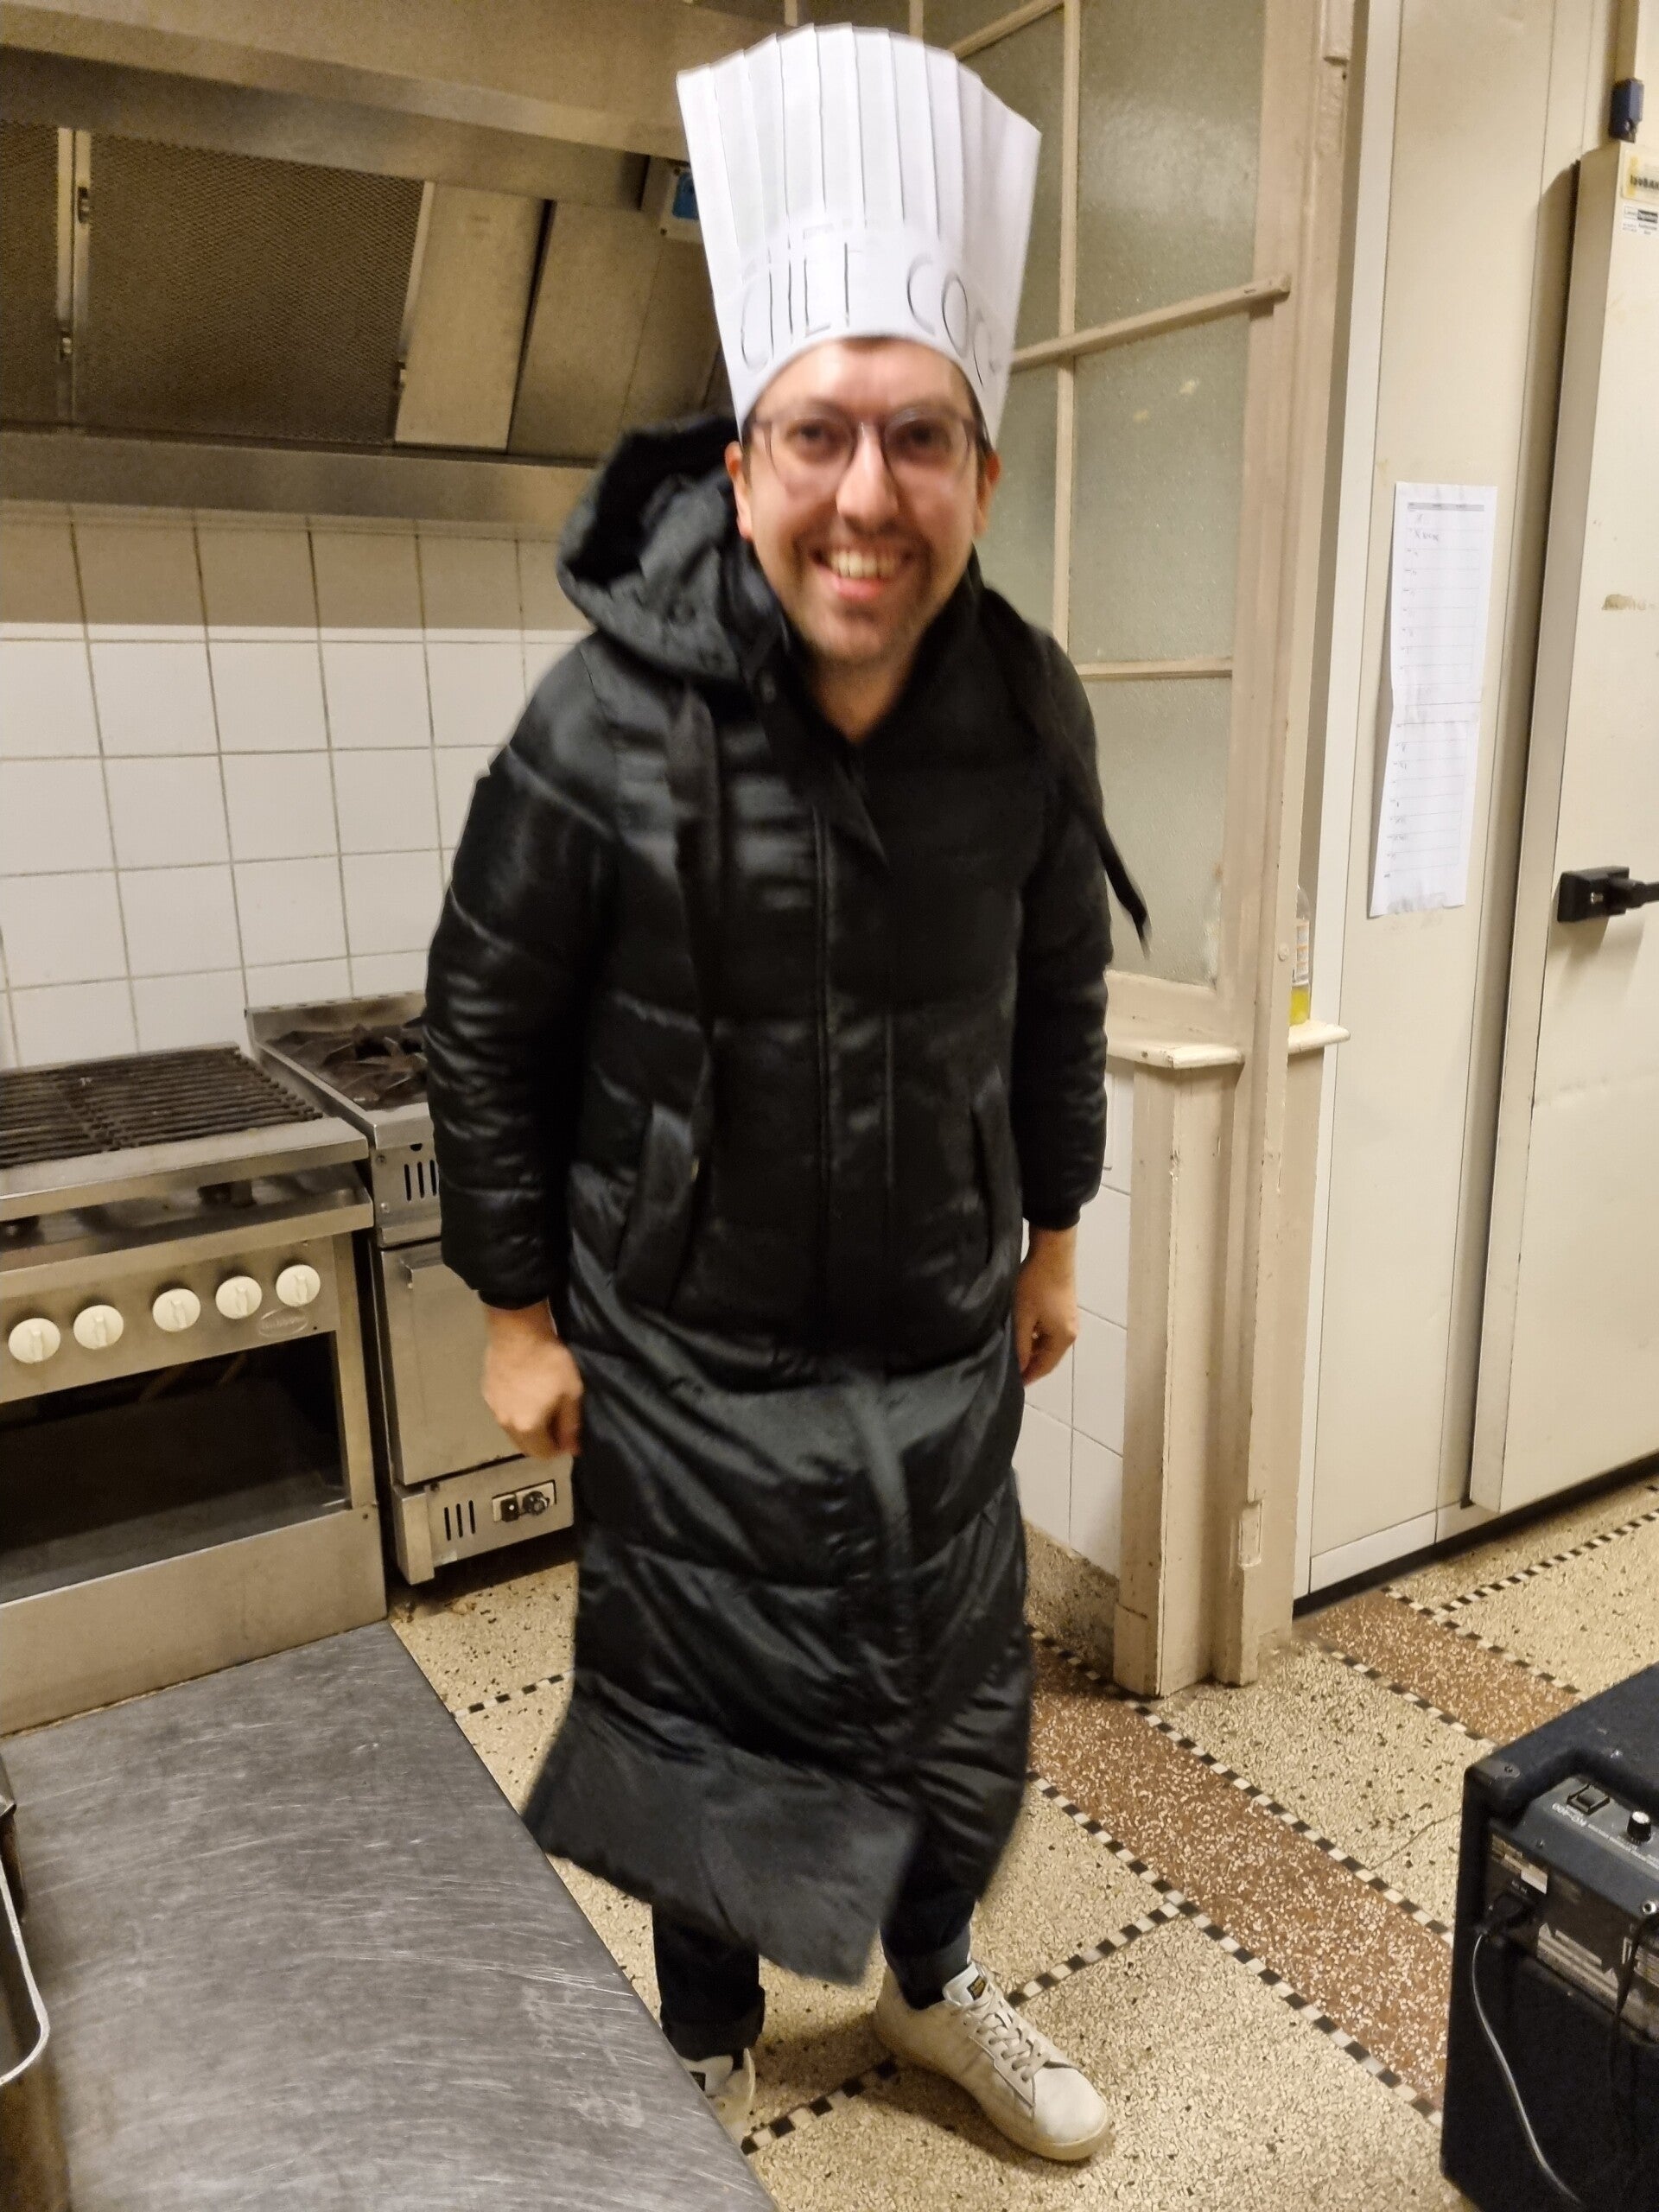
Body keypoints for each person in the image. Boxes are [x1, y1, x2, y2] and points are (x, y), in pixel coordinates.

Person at [424, 22, 1143, 2163]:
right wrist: (519, 1311)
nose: (866, 490)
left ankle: (930, 1982)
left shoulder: (1028, 708)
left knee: (942, 1684)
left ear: (981, 476)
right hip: (685, 1335)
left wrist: (1055, 1233)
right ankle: (705, 2035)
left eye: (918, 436)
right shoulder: (601, 722)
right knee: (710, 1697)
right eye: (818, 432)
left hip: (936, 1321)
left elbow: (1059, 987)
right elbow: (483, 1017)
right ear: (742, 468)